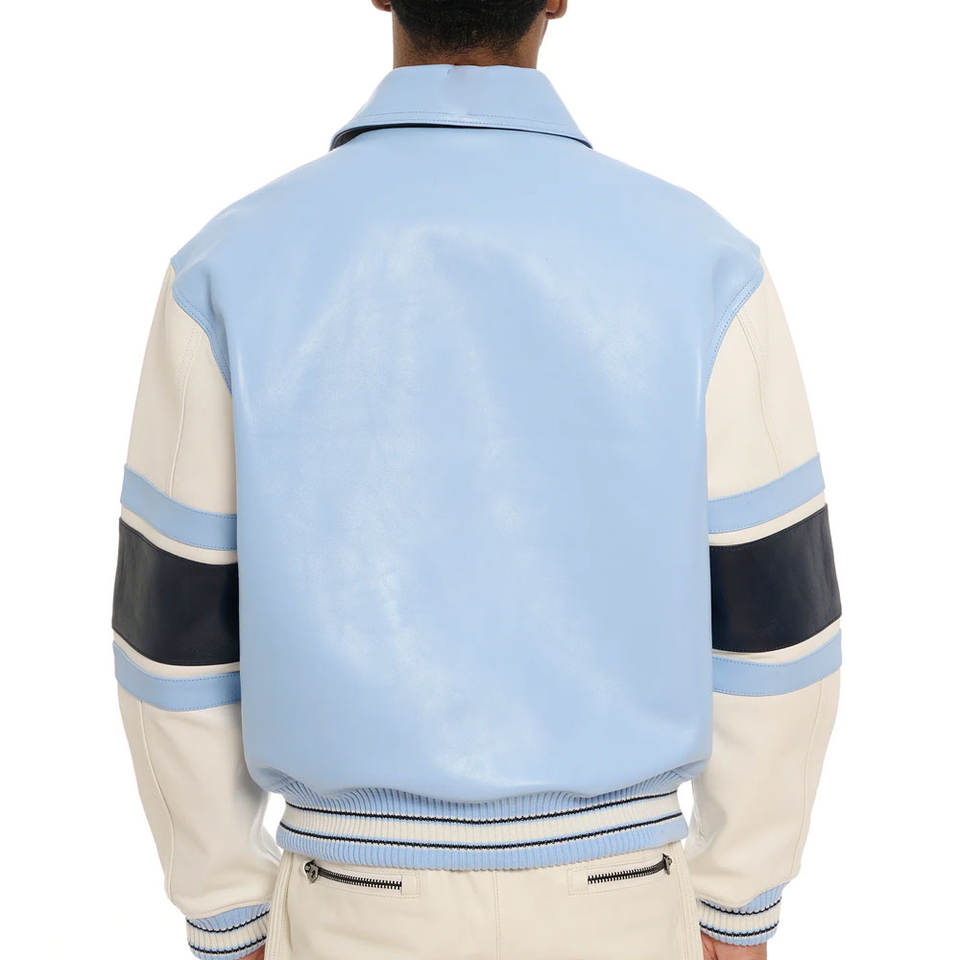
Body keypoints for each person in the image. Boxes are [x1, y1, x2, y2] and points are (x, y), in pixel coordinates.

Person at [111, 2, 841, 958]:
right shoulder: (706, 264)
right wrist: (740, 895)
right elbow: (778, 624)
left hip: (350, 905)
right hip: (619, 903)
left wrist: (225, 907)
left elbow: (171, 637)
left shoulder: (226, 267)